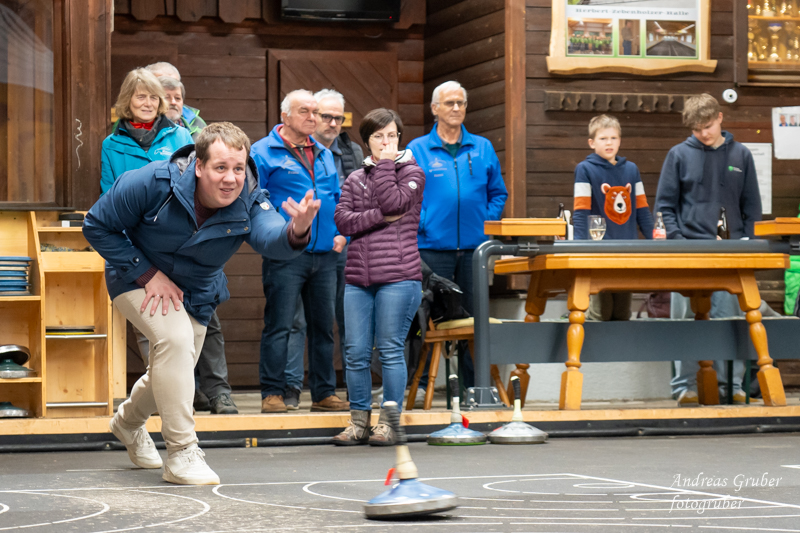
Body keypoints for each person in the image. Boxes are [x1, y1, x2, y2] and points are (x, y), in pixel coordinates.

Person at [84, 122, 318, 484]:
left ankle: (127, 423)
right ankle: (182, 453)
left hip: (197, 290)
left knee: (173, 368)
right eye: (220, 167)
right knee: (175, 341)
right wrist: (147, 274)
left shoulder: (250, 197)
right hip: (135, 276)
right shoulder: (150, 182)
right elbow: (96, 225)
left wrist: (296, 230)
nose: (231, 178)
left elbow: (270, 236)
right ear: (198, 165)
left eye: (237, 168)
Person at [655, 93, 762, 407]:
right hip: (687, 252)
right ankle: (685, 388)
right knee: (685, 321)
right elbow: (664, 206)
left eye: (708, 126)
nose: (703, 133)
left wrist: (748, 244)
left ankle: (732, 386)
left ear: (720, 118)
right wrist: (677, 243)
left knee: (730, 321)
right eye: (697, 129)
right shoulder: (678, 155)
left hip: (731, 252)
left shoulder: (741, 155)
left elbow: (752, 207)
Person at [406, 80, 508, 391]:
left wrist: (485, 222)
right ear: (434, 109)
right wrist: (423, 221)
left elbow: (498, 193)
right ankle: (419, 384)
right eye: (449, 103)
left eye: (460, 103)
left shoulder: (483, 147)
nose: (456, 108)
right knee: (427, 317)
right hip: (431, 247)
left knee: (474, 318)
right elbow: (407, 195)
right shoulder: (417, 149)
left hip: (475, 250)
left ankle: (474, 387)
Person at [251, 89, 349, 414]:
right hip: (286, 253)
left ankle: (323, 393)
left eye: (315, 112)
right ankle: (272, 393)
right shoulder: (263, 151)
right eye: (304, 111)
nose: (313, 117)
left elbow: (337, 197)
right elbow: (255, 199)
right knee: (279, 325)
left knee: (323, 328)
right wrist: (276, 232)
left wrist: (341, 233)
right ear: (285, 116)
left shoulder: (323, 153)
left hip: (325, 253)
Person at [333, 108, 424, 445]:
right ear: (367, 141)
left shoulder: (413, 172)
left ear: (399, 138)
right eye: (378, 137)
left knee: (389, 349)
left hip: (400, 276)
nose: (386, 143)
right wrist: (379, 217)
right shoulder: (355, 178)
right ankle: (358, 422)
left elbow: (395, 201)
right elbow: (343, 221)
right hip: (358, 278)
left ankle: (388, 423)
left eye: (392, 136)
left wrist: (385, 166)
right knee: (355, 352)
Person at [284, 89, 364, 410]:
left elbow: (358, 199)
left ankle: (345, 390)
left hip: (344, 249)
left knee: (343, 320)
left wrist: (345, 234)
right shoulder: (295, 151)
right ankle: (290, 389)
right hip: (300, 247)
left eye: (338, 118)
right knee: (295, 321)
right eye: (326, 116)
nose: (332, 123)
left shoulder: (352, 151)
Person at [573, 114, 654, 321]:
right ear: (591, 143)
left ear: (620, 141)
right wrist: (579, 247)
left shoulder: (632, 170)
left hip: (627, 250)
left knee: (622, 312)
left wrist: (655, 240)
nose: (609, 143)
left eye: (613, 138)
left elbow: (642, 209)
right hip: (597, 252)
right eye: (603, 138)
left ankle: (621, 344)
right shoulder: (584, 169)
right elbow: (581, 211)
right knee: (601, 311)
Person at [101, 68, 193, 194]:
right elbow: (107, 195)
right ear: (127, 100)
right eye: (141, 97)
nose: (148, 104)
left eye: (154, 97)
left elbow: (192, 185)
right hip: (128, 207)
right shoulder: (110, 145)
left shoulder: (182, 136)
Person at [146, 62, 207, 138]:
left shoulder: (197, 123)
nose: (173, 102)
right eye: (161, 82)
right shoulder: (138, 126)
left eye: (177, 98)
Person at [159, 76, 203, 141]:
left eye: (177, 98)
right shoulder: (146, 133)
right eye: (166, 98)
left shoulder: (199, 128)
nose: (173, 102)